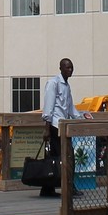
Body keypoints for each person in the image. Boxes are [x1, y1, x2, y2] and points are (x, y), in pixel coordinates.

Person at [39, 57, 92, 198]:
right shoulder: (53, 83)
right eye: (67, 67)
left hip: (63, 125)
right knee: (67, 156)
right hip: (55, 126)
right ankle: (69, 187)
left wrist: (81, 116)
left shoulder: (66, 86)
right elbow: (48, 107)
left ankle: (47, 188)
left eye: (71, 67)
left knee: (55, 157)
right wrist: (47, 128)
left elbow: (70, 108)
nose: (70, 70)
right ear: (61, 68)